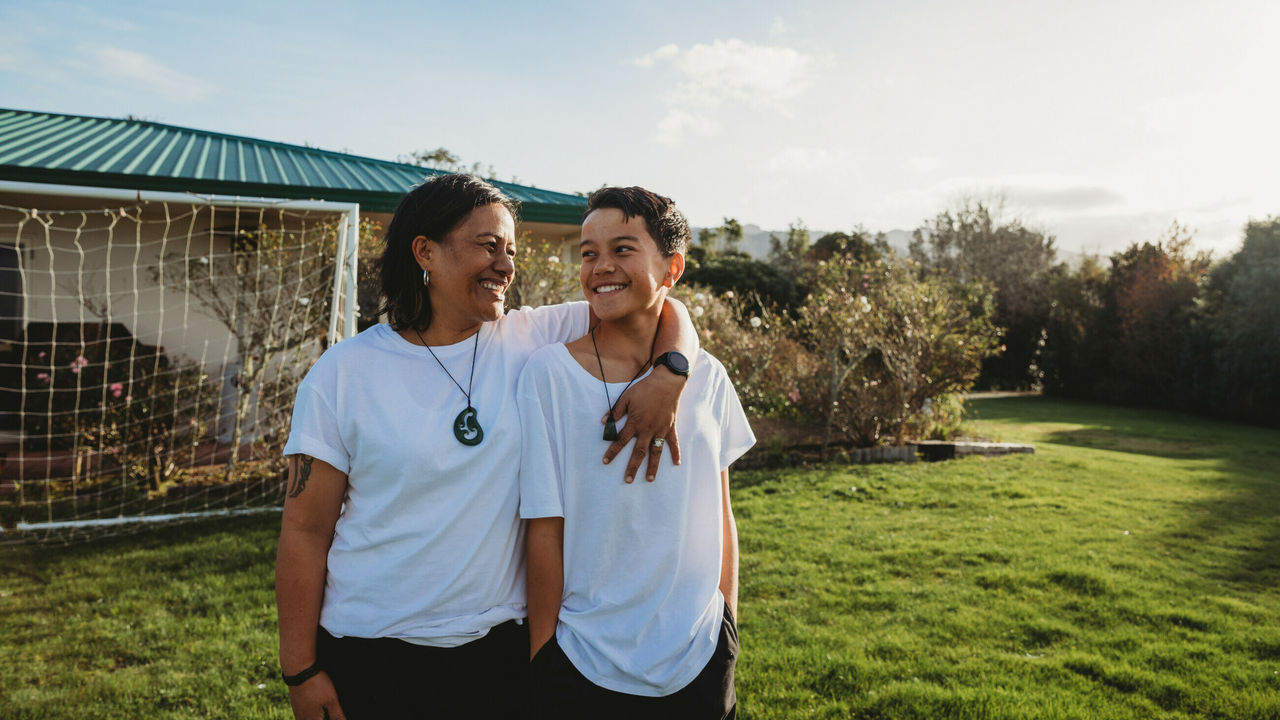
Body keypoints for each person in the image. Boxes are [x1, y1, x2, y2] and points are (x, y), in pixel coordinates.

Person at [274, 174, 698, 720]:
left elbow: (659, 303)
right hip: (372, 652)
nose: (506, 265)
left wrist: (671, 372)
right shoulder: (344, 373)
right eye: (488, 245)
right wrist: (301, 670)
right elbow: (305, 532)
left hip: (501, 651)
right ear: (425, 251)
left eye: (511, 250)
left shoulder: (529, 337)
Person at [519, 187, 754, 719]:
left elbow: (720, 513)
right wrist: (544, 654)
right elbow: (543, 523)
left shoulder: (707, 376)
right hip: (582, 659)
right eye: (587, 252)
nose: (601, 266)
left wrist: (727, 627)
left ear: (672, 268)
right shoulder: (547, 374)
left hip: (698, 656)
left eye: (623, 249)